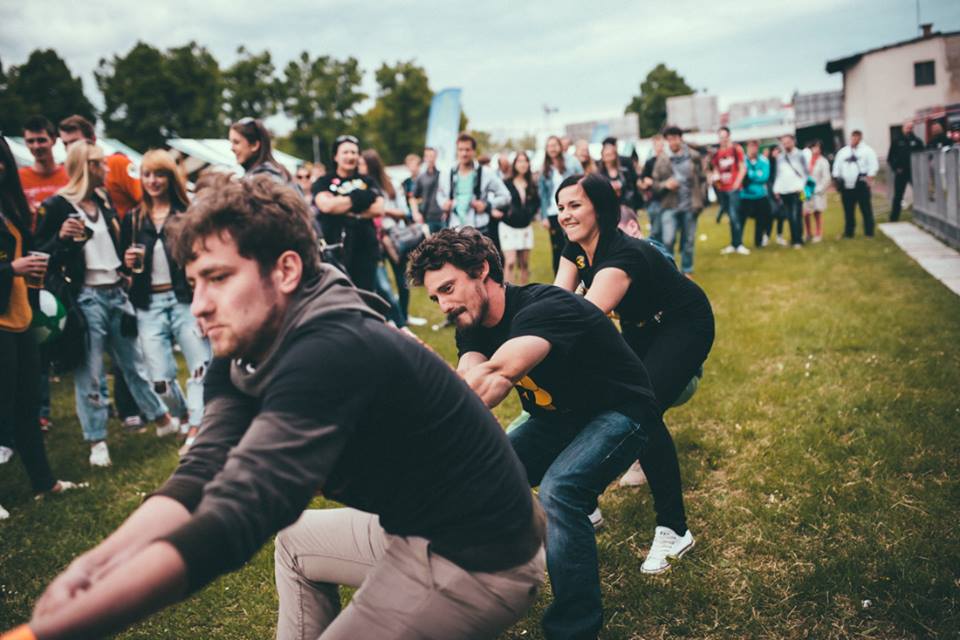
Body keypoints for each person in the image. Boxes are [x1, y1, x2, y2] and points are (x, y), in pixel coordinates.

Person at [13, 174, 545, 640]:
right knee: (295, 543)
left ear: (287, 269)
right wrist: (96, 563)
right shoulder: (247, 341)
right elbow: (203, 469)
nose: (199, 305)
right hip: (418, 523)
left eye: (218, 277)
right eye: (194, 282)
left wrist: (52, 630)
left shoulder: (331, 350)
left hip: (481, 553)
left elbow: (244, 509)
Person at [409, 227, 669, 640]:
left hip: (621, 410)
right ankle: (474, 599)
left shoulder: (543, 307)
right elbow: (466, 383)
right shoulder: (471, 324)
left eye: (448, 288)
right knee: (479, 482)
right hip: (557, 420)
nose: (444, 305)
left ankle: (574, 630)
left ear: (482, 269)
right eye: (435, 298)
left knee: (560, 491)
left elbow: (495, 377)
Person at [553, 173, 713, 575]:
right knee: (603, 397)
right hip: (638, 327)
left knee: (642, 408)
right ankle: (586, 503)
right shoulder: (573, 248)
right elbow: (559, 302)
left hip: (683, 323)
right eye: (560, 207)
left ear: (601, 209)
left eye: (575, 205)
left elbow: (580, 320)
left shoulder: (623, 254)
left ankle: (675, 529)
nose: (565, 215)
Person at [34, 142, 178, 467]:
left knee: (134, 363)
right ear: (86, 167)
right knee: (91, 372)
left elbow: (110, 246)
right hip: (86, 297)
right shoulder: (57, 206)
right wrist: (60, 238)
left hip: (116, 291)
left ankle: (161, 418)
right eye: (100, 163)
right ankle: (96, 440)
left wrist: (126, 266)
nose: (106, 169)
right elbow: (41, 254)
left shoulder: (102, 200)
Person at [0, 137, 86, 519]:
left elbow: (33, 253)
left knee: (27, 406)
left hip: (21, 317)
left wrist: (57, 246)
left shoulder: (10, 208)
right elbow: (14, 264)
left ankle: (44, 482)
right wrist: (11, 269)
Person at [120, 150, 210, 453]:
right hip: (149, 303)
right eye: (147, 174)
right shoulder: (133, 219)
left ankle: (196, 426)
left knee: (200, 366)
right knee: (159, 379)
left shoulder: (186, 214)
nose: (153, 181)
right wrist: (127, 263)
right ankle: (182, 413)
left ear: (171, 178)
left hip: (184, 299)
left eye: (159, 174)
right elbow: (123, 269)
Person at [312, 135, 384, 292]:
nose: (350, 156)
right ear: (335, 156)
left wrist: (345, 208)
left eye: (354, 152)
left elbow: (379, 208)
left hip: (365, 250)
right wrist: (359, 197)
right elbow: (326, 206)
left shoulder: (368, 181)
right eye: (345, 152)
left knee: (366, 296)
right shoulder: (324, 182)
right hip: (335, 251)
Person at [59, 115, 143, 220]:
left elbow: (146, 200)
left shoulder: (118, 163)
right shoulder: (65, 173)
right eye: (65, 144)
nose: (69, 148)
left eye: (74, 142)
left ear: (93, 140)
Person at [359, 149, 408, 328]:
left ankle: (403, 317)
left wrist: (382, 210)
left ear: (370, 165)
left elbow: (404, 212)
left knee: (402, 279)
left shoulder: (390, 185)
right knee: (382, 284)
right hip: (375, 240)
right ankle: (391, 319)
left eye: (362, 164)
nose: (359, 167)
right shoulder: (361, 186)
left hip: (393, 238)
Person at [648, 126, 706, 276]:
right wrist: (665, 185)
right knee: (668, 240)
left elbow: (702, 179)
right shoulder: (662, 159)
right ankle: (671, 271)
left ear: (680, 138)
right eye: (669, 139)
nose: (672, 142)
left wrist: (701, 198)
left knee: (688, 240)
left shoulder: (693, 156)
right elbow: (655, 184)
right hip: (669, 205)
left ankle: (687, 270)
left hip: (690, 205)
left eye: (675, 138)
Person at [435, 133, 510, 242]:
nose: (464, 153)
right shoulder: (447, 173)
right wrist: (443, 203)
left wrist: (486, 205)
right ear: (457, 151)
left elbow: (506, 196)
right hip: (454, 229)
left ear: (474, 151)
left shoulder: (486, 173)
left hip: (479, 229)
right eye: (460, 150)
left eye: (467, 149)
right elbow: (439, 195)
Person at [539, 135, 581, 274]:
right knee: (557, 248)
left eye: (554, 145)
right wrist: (544, 216)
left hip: (570, 209)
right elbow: (543, 195)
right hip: (553, 212)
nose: (552, 148)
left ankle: (578, 274)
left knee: (574, 243)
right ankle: (559, 278)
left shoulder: (572, 162)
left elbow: (582, 181)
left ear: (560, 146)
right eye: (549, 146)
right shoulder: (545, 169)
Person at [18, 115, 69, 231]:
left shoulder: (69, 175)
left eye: (41, 140)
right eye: (30, 141)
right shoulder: (18, 177)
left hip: (63, 238)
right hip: (31, 238)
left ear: (53, 140)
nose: (36, 146)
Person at [500, 151, 540, 285]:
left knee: (524, 263)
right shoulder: (506, 183)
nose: (523, 164)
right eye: (519, 161)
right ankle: (508, 292)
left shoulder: (532, 184)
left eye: (525, 161)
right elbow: (499, 200)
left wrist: (530, 213)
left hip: (525, 227)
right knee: (510, 262)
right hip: (508, 226)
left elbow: (537, 202)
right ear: (514, 164)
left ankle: (523, 292)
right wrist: (505, 213)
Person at [832, 130, 879, 238]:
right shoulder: (844, 151)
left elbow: (873, 165)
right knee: (848, 210)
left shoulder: (867, 151)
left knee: (866, 209)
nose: (854, 139)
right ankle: (849, 232)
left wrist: (870, 177)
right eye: (853, 137)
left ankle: (869, 232)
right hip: (846, 185)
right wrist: (836, 179)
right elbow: (836, 166)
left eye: (856, 137)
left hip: (861, 184)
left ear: (860, 138)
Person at [711, 127, 749, 255]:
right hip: (723, 189)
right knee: (731, 217)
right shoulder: (717, 153)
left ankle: (739, 244)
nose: (722, 139)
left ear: (728, 136)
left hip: (734, 188)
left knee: (735, 216)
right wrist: (715, 178)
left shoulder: (736, 149)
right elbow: (715, 169)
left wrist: (737, 183)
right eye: (720, 137)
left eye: (724, 136)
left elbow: (742, 168)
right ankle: (734, 243)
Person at [228, 117, 292, 185]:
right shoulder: (277, 172)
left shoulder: (268, 179)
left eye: (236, 142)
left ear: (254, 145)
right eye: (231, 142)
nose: (232, 148)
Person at [772, 134, 808, 248]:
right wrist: (776, 189)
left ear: (793, 141)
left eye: (787, 142)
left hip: (798, 190)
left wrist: (801, 186)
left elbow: (806, 173)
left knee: (796, 214)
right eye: (784, 143)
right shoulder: (780, 158)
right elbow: (778, 174)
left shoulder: (800, 155)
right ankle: (794, 239)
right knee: (790, 216)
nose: (786, 145)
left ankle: (798, 240)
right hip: (785, 190)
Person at [887, 121, 923, 222]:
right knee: (898, 195)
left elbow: (923, 155)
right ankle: (894, 217)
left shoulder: (917, 141)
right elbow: (890, 157)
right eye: (907, 127)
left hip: (914, 172)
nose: (909, 130)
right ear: (903, 128)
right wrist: (896, 168)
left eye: (911, 128)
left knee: (919, 193)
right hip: (901, 172)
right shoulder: (897, 141)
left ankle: (920, 215)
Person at [739, 140, 772, 248]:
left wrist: (749, 174)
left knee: (761, 219)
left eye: (755, 146)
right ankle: (738, 242)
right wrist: (755, 174)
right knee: (741, 220)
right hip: (745, 195)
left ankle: (758, 242)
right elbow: (740, 175)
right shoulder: (742, 160)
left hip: (760, 195)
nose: (753, 149)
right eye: (750, 146)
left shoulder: (764, 160)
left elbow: (764, 177)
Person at [411, 146, 445, 233]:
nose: (430, 159)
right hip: (428, 217)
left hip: (443, 216)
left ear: (436, 157)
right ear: (424, 158)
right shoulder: (421, 177)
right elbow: (413, 197)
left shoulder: (443, 175)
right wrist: (415, 213)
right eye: (428, 156)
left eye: (432, 156)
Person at [803, 140, 831, 242]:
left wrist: (819, 189)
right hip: (806, 190)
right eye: (814, 147)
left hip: (817, 190)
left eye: (818, 147)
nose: (816, 149)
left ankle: (818, 234)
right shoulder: (806, 159)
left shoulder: (823, 161)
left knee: (817, 212)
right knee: (805, 213)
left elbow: (827, 178)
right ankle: (808, 233)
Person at [639, 135, 666, 242]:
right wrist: (645, 183)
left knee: (665, 230)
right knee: (656, 230)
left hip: (666, 200)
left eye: (661, 145)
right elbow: (642, 180)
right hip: (654, 200)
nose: (660, 147)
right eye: (657, 145)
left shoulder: (668, 160)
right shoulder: (650, 162)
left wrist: (652, 182)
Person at [598, 137, 637, 209]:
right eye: (607, 155)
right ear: (602, 156)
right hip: (608, 208)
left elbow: (631, 189)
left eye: (611, 154)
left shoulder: (624, 172)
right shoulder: (599, 175)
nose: (609, 157)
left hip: (625, 206)